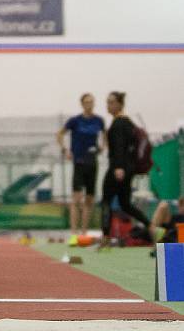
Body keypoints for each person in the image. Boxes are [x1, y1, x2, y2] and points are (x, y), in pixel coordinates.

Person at [100, 91, 154, 248]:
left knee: (106, 201)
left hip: (118, 168)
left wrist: (118, 167)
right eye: (107, 102)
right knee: (125, 204)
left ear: (119, 104)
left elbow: (119, 147)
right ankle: (150, 225)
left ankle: (105, 238)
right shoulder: (129, 123)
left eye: (111, 102)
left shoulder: (119, 123)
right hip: (128, 169)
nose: (108, 105)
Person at [57, 93, 105, 244]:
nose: (89, 104)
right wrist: (65, 150)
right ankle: (73, 233)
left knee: (89, 199)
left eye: (91, 102)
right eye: (86, 102)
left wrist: (103, 147)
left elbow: (105, 136)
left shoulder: (99, 120)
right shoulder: (75, 121)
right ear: (82, 104)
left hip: (92, 163)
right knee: (76, 198)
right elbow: (59, 134)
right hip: (78, 162)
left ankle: (84, 233)